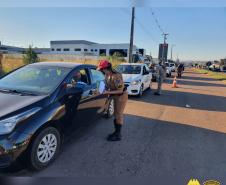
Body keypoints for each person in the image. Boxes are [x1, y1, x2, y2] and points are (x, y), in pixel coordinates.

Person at [97, 60, 128, 141]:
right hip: (114, 95)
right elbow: (107, 85)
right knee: (115, 114)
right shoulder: (107, 75)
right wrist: (102, 89)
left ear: (107, 68)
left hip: (121, 96)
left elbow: (120, 90)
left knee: (118, 114)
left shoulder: (116, 76)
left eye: (102, 69)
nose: (101, 71)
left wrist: (108, 92)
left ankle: (118, 135)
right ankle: (116, 132)